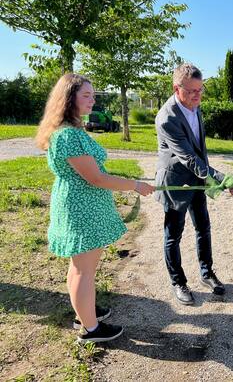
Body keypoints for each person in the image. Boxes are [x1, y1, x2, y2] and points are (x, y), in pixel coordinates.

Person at [35, 73, 155, 343]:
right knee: (83, 269)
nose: (92, 100)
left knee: (82, 266)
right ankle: (90, 329)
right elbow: (96, 178)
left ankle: (85, 311)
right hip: (81, 207)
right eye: (85, 95)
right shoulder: (68, 135)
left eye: (92, 94)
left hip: (83, 203)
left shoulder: (70, 130)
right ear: (69, 99)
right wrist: (134, 185)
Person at [155, 63, 227, 305]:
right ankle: (178, 282)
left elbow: (199, 150)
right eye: (192, 90)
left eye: (201, 89)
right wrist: (221, 178)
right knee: (173, 235)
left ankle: (207, 273)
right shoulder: (167, 118)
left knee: (203, 228)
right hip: (175, 183)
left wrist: (209, 178)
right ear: (177, 88)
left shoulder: (195, 107)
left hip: (197, 179)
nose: (198, 95)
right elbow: (187, 156)